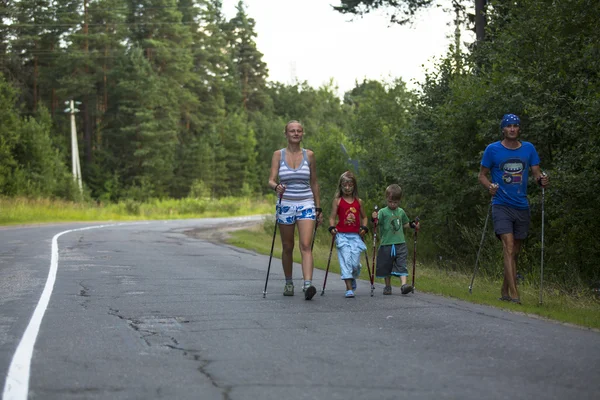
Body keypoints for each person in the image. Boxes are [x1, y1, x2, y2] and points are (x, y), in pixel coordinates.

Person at [478, 113, 549, 304]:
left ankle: (504, 289)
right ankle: (515, 295)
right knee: (508, 247)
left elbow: (536, 173)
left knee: (514, 251)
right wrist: (490, 186)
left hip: (521, 205)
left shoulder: (528, 149)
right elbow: (482, 175)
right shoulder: (492, 150)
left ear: (519, 129)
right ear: (503, 129)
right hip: (501, 204)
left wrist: (541, 179)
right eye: (508, 126)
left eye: (515, 126)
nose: (512, 129)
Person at [268, 120, 323, 300]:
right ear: (286, 134)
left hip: (306, 202)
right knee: (287, 246)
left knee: (305, 245)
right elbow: (271, 180)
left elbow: (314, 182)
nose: (296, 133)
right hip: (286, 203)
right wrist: (276, 187)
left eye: (299, 131)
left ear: (302, 134)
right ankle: (289, 282)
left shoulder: (310, 155)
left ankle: (308, 285)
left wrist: (318, 207)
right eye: (292, 131)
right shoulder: (278, 155)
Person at [372, 184, 419, 295]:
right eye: (390, 202)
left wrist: (413, 225)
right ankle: (388, 286)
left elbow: (405, 224)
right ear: (386, 199)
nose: (392, 204)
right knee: (387, 265)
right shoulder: (383, 212)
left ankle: (404, 285)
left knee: (401, 263)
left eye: (395, 202)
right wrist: (374, 217)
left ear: (399, 201)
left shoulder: (401, 212)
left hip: (400, 243)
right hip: (386, 243)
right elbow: (376, 222)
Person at [328, 171, 368, 298]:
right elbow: (332, 217)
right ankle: (349, 289)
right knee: (345, 261)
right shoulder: (337, 201)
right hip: (342, 236)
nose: (347, 188)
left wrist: (364, 227)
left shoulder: (359, 202)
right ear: (341, 186)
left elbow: (365, 217)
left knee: (354, 264)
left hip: (355, 236)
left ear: (354, 186)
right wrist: (332, 228)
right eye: (344, 185)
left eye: (350, 185)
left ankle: (352, 276)